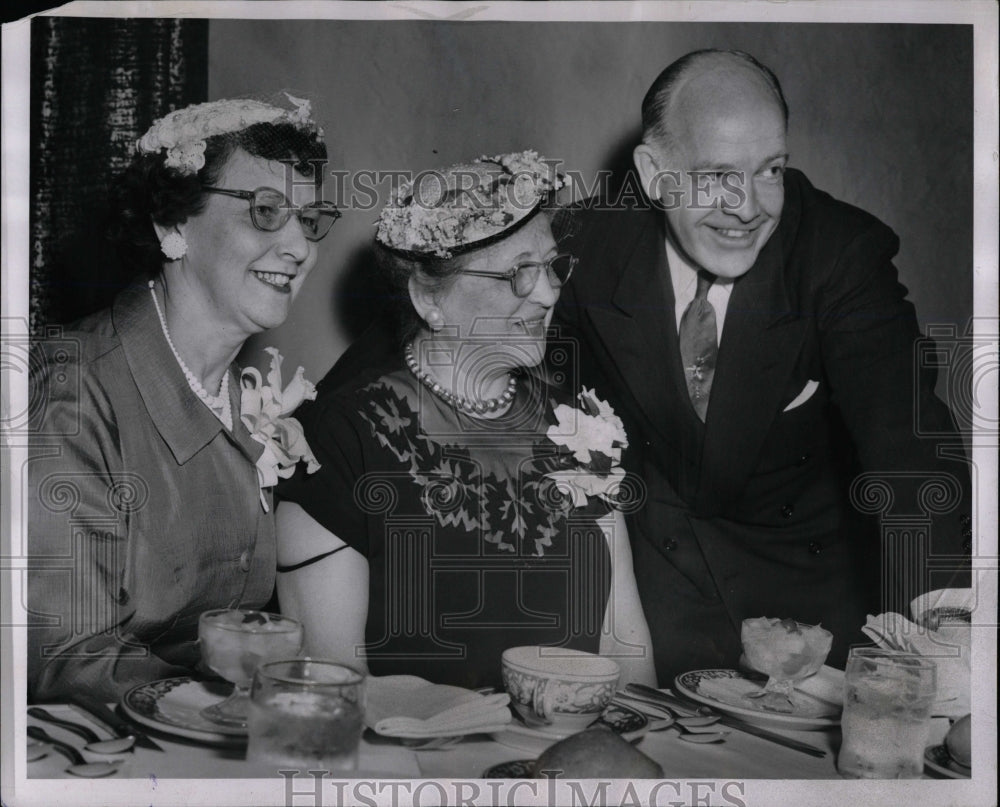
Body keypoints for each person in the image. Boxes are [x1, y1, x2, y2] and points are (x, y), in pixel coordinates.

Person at [554, 50, 972, 683]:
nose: (748, 207)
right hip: (653, 614)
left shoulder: (838, 255)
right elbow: (456, 338)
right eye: (717, 174)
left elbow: (908, 448)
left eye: (770, 169)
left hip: (811, 634)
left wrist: (950, 630)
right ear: (653, 172)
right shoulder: (589, 243)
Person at [277, 152, 657, 690]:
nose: (549, 294)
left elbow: (626, 651)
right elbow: (332, 687)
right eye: (517, 274)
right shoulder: (336, 441)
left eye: (551, 266)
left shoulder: (579, 430)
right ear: (428, 298)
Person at [27, 94, 337, 702]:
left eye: (310, 219)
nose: (300, 247)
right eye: (266, 211)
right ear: (172, 225)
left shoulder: (246, 397)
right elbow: (63, 662)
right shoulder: (68, 388)